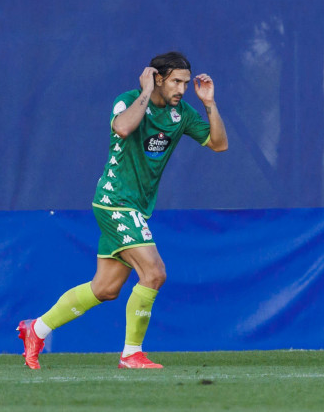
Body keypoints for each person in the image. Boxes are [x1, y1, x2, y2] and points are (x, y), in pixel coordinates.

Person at [17, 51, 228, 369]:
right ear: (157, 78)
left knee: (105, 288)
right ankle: (132, 353)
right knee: (154, 273)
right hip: (115, 201)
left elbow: (218, 144)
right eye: (176, 82)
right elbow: (123, 128)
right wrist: (145, 92)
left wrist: (209, 103)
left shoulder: (181, 113)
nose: (182, 89)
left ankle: (36, 329)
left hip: (136, 208)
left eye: (185, 83)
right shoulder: (127, 100)